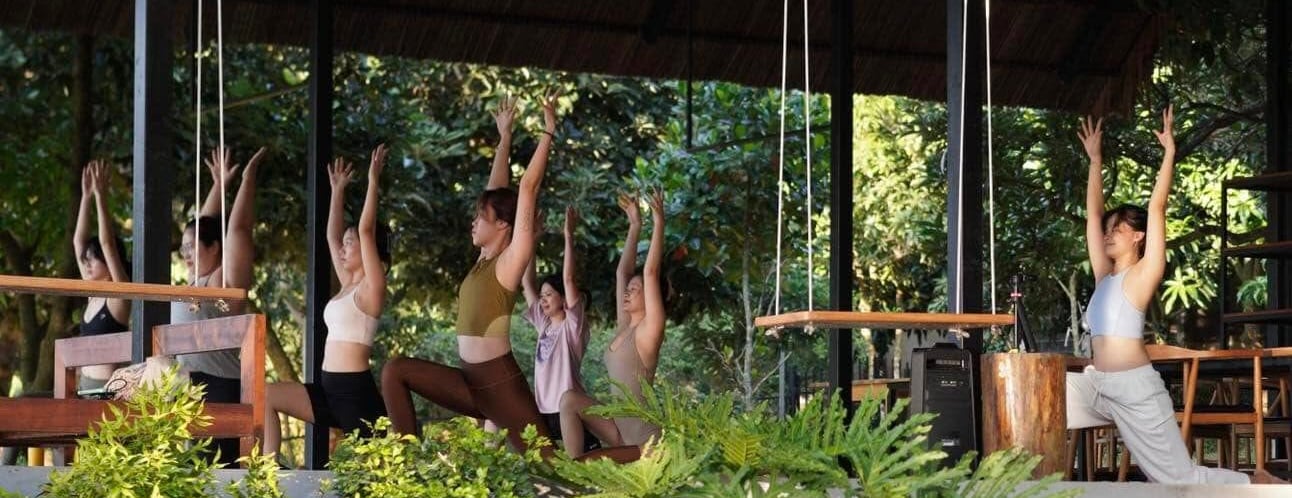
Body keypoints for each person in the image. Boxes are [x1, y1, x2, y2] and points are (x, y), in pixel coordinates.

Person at [1067, 107, 1282, 484]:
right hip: (1097, 385)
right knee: (1042, 397)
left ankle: (1256, 482)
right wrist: (1095, 161)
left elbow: (1157, 207)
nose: (1108, 233)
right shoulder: (1104, 276)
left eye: (1118, 229)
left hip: (1135, 391)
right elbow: (1092, 216)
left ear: (1138, 236)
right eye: (1109, 229)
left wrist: (1169, 153)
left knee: (1178, 480)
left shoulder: (1143, 274)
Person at [381, 93, 559, 454]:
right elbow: (498, 192)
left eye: (481, 217)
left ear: (503, 226)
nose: (474, 222)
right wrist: (504, 139)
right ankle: (406, 462)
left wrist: (548, 132)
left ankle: (642, 456)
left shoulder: (510, 263)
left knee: (552, 473)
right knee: (394, 370)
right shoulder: (482, 260)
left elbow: (525, 188)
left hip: (499, 385)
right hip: (471, 382)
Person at [263, 146, 390, 458]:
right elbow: (331, 237)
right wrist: (337, 191)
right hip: (327, 388)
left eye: (351, 244)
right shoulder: (347, 284)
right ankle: (267, 476)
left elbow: (365, 229)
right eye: (345, 244)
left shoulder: (372, 287)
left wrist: (373, 181)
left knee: (369, 479)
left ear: (369, 249)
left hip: (355, 393)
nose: (344, 248)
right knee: (265, 395)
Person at [559, 190, 667, 462]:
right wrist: (634, 227)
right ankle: (576, 474)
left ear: (652, 297)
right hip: (619, 432)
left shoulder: (648, 332)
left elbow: (650, 272)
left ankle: (578, 474)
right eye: (627, 290)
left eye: (635, 290)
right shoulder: (625, 326)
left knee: (591, 465)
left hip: (645, 441)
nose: (627, 293)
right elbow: (622, 272)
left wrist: (659, 223)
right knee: (570, 399)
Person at [173, 146, 264, 465]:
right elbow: (204, 225)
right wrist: (219, 185)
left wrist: (248, 180)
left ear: (215, 248)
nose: (184, 253)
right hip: (189, 387)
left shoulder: (221, 284)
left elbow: (237, 231)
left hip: (217, 389)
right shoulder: (197, 281)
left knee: (215, 473)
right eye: (181, 247)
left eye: (190, 247)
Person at [521, 206, 591, 449]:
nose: (543, 300)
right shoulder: (543, 324)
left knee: (582, 470)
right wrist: (532, 240)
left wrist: (568, 236)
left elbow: (569, 279)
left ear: (563, 298)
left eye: (549, 294)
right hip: (543, 411)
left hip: (568, 409)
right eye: (543, 296)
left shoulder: (573, 325)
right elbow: (526, 283)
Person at [72, 160, 130, 390]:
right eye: (85, 260)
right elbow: (78, 242)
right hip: (85, 383)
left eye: (92, 259)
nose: (85, 264)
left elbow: (108, 244)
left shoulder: (119, 293)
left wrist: (100, 197)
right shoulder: (92, 293)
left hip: (108, 388)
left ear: (108, 263)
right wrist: (85, 197)